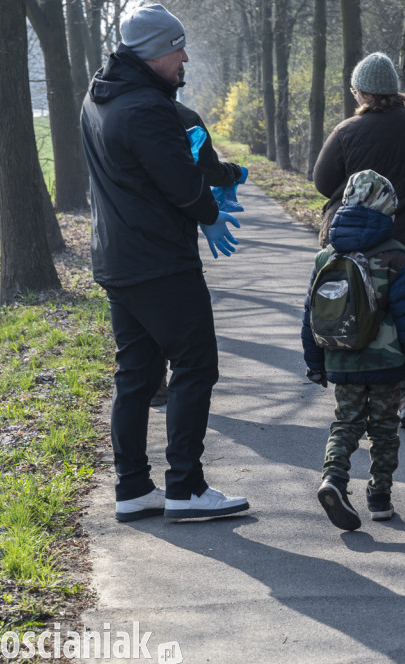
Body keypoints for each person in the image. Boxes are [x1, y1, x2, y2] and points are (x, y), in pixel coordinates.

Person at [80, 3, 249, 521]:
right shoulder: (144, 108)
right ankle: (186, 488)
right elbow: (181, 184)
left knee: (136, 374)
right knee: (196, 364)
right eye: (178, 49)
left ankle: (133, 487)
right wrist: (210, 212)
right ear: (155, 54)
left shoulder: (98, 95)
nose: (185, 58)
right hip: (159, 262)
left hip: (117, 258)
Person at [302, 170, 405, 531]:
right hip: (387, 363)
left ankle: (333, 478)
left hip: (341, 358)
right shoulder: (396, 256)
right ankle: (380, 497)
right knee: (383, 428)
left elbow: (311, 316)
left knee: (345, 422)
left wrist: (315, 363)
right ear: (387, 213)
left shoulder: (326, 257)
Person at [314, 52, 405, 431]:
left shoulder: (347, 131)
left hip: (361, 241)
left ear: (362, 92)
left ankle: (363, 396)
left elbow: (322, 182)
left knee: (361, 306)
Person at [150, 83, 250, 409]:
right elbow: (208, 171)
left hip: (124, 240)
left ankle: (154, 385)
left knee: (144, 317)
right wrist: (235, 173)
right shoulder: (184, 117)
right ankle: (182, 402)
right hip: (173, 237)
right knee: (184, 323)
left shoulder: (108, 112)